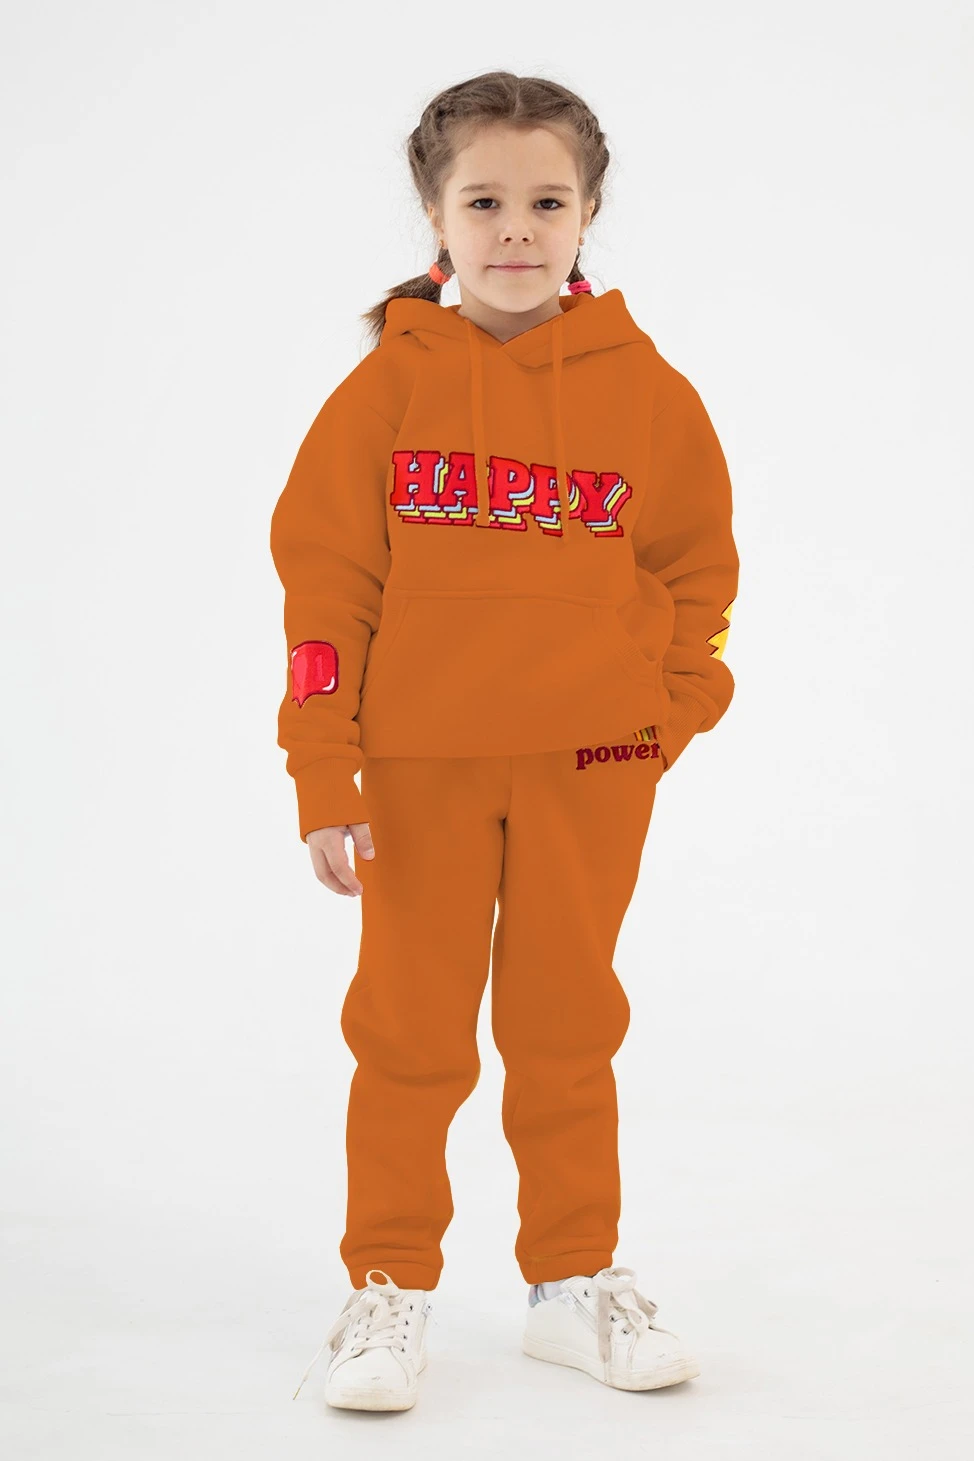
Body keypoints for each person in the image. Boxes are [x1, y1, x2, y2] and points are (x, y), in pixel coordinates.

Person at [272, 70, 739, 1413]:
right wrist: (324, 769)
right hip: (419, 768)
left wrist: (662, 719)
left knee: (566, 1028)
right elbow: (326, 595)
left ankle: (570, 1286)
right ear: (436, 216)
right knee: (409, 1035)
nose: (516, 229)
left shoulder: (650, 395)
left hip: (591, 769)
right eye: (484, 202)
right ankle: (387, 1289)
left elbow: (699, 579)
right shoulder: (384, 393)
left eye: (547, 202)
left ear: (587, 217)